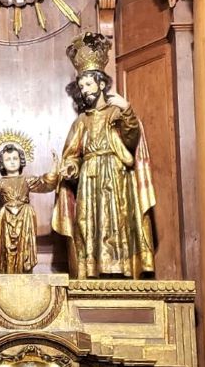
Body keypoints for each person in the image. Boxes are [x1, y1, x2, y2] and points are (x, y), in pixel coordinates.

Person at [52, 32, 155, 279]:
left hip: (116, 175)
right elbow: (73, 155)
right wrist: (70, 169)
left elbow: (131, 139)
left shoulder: (117, 113)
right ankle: (92, 271)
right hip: (89, 178)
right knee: (90, 224)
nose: (85, 90)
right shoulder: (81, 122)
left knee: (118, 221)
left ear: (100, 84)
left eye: (88, 85)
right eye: (81, 86)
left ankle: (121, 269)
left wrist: (127, 110)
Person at [0, 137, 57, 274]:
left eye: (15, 158)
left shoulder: (26, 180)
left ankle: (24, 270)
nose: (12, 162)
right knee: (7, 246)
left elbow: (45, 183)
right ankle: (8, 270)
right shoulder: (0, 182)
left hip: (25, 217)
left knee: (24, 246)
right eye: (8, 159)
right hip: (6, 218)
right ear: (2, 163)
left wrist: (54, 169)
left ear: (21, 160)